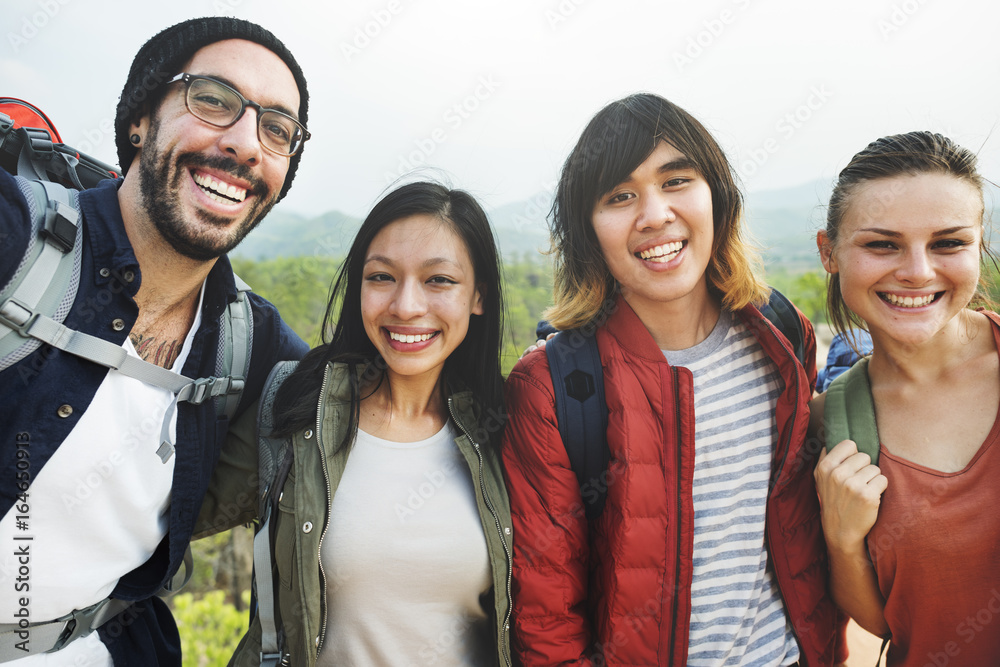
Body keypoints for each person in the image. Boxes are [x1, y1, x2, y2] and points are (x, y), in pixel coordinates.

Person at [0, 17, 310, 665]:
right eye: (214, 100)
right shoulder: (16, 238)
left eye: (277, 129)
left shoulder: (253, 347)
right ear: (141, 117)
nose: (248, 143)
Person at [502, 93, 845, 666]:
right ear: (588, 230)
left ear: (718, 196)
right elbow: (547, 620)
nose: (655, 214)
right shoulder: (552, 386)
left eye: (676, 180)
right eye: (620, 196)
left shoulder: (782, 336)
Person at [196, 181, 513, 666]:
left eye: (439, 280)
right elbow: (158, 521)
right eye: (382, 277)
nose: (406, 306)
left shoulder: (509, 430)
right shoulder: (296, 412)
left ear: (479, 297)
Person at [812, 131, 1000, 664]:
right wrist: (843, 540)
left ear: (979, 243)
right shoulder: (833, 423)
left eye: (948, 243)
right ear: (829, 252)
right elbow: (889, 623)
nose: (917, 271)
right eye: (882, 244)